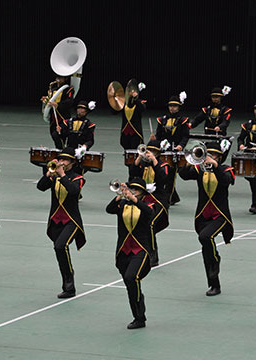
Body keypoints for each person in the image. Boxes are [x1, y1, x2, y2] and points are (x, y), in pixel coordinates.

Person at [179, 142, 235, 296]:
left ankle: (216, 260)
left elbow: (225, 181)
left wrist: (215, 166)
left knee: (205, 237)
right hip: (203, 215)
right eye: (208, 154)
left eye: (214, 155)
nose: (210, 157)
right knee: (206, 250)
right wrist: (190, 163)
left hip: (220, 215)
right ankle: (214, 284)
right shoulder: (199, 169)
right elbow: (183, 175)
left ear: (220, 157)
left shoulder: (226, 169)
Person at [36, 147, 86, 298]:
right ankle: (67, 282)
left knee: (60, 245)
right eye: (61, 159)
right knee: (59, 251)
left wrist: (62, 175)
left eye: (65, 160)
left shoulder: (78, 178)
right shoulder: (54, 177)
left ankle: (70, 285)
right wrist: (48, 174)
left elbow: (73, 191)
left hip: (72, 221)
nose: (62, 162)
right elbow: (40, 187)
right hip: (56, 220)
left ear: (72, 162)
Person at [105, 178, 153, 329]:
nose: (133, 192)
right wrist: (120, 194)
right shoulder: (122, 204)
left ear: (142, 194)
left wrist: (135, 200)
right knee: (130, 285)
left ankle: (140, 317)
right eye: (132, 189)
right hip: (123, 250)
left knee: (131, 277)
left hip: (141, 250)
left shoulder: (148, 205)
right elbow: (109, 209)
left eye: (136, 190)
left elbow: (149, 213)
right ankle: (138, 314)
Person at [128, 139, 171, 266]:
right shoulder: (142, 165)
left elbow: (163, 179)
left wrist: (154, 161)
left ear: (158, 153)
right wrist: (138, 158)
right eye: (148, 151)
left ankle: (153, 254)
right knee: (138, 225)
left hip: (158, 201)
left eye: (153, 152)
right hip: (144, 200)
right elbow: (132, 175)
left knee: (150, 224)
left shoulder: (163, 165)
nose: (149, 153)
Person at [153, 93, 190, 205]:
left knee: (171, 175)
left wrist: (181, 146)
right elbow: (159, 135)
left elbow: (185, 136)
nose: (172, 108)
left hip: (176, 151)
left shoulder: (183, 120)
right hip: (164, 150)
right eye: (170, 106)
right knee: (161, 173)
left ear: (179, 107)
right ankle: (173, 196)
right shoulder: (162, 120)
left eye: (175, 106)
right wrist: (155, 140)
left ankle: (167, 198)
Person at [42, 75, 75, 149]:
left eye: (60, 78)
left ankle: (62, 150)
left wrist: (58, 105)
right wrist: (46, 99)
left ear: (65, 79)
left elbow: (69, 101)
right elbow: (50, 100)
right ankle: (60, 150)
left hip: (63, 116)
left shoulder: (69, 89)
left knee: (58, 134)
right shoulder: (53, 89)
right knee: (53, 134)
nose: (58, 79)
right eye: (57, 77)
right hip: (53, 116)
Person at [118, 83, 146, 151]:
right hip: (125, 132)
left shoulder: (139, 102)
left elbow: (142, 109)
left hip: (136, 132)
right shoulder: (124, 103)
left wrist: (136, 99)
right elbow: (114, 111)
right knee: (127, 153)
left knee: (135, 151)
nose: (131, 92)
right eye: (129, 91)